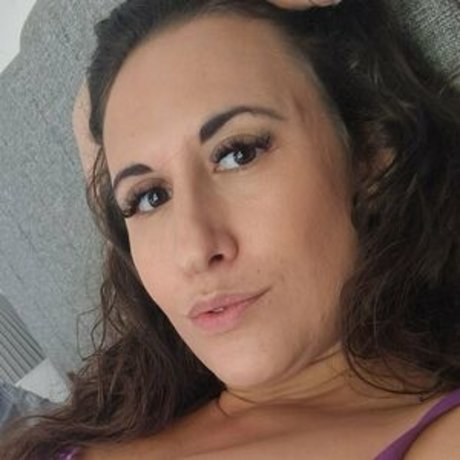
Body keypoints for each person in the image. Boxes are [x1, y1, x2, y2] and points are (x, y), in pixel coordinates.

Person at [1, 0, 459, 458]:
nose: (193, 250)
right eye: (150, 197)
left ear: (370, 154)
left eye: (238, 153)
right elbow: (95, 116)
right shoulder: (118, 409)